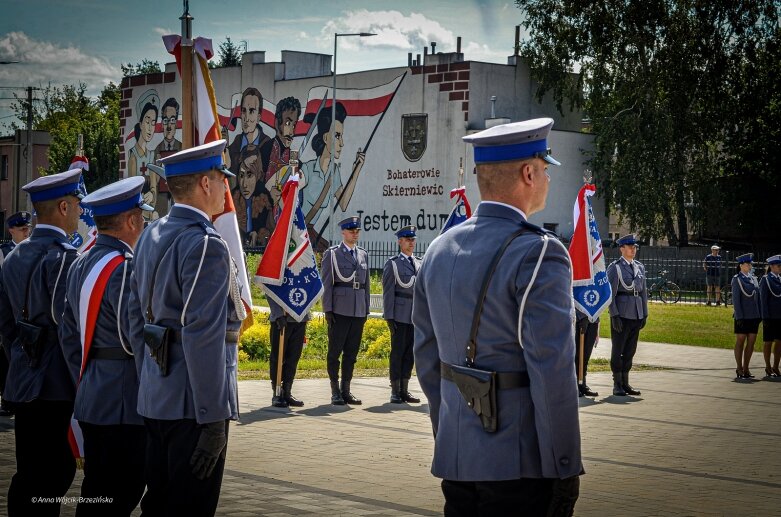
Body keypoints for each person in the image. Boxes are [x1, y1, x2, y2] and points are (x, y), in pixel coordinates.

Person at [413, 118, 582, 515]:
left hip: (458, 458)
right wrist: (564, 466)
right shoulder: (540, 252)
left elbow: (426, 357)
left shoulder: (439, 249)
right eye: (545, 168)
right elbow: (552, 370)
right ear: (528, 172)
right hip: (519, 465)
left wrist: (454, 431)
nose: (548, 179)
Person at [125, 140, 243, 515]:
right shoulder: (206, 244)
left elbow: (133, 320)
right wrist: (213, 420)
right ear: (206, 184)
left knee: (158, 505)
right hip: (194, 409)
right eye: (222, 178)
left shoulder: (150, 235)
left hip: (155, 400)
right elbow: (202, 336)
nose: (228, 187)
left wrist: (151, 378)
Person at [59, 177, 152, 516]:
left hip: (92, 394)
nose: (144, 222)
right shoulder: (125, 268)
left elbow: (69, 340)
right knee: (120, 494)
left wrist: (87, 378)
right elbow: (135, 341)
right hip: (125, 402)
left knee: (97, 492)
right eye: (141, 216)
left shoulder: (81, 262)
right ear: (130, 221)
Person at [0, 168, 83, 516]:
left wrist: (23, 357)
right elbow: (68, 331)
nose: (81, 211)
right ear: (63, 207)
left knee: (30, 471)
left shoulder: (14, 255)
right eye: (77, 203)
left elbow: (5, 326)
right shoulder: (63, 257)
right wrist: (83, 381)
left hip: (23, 379)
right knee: (55, 473)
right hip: (56, 385)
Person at [300, 101, 365, 248]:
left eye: (341, 136)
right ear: (325, 138)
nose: (341, 143)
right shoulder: (308, 168)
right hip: (299, 230)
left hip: (310, 233)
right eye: (337, 136)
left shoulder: (334, 172)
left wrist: (356, 170)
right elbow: (291, 194)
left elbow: (343, 203)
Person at [321, 216, 370, 405]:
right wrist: (328, 310)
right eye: (351, 231)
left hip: (358, 309)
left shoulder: (363, 254)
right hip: (340, 309)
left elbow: (366, 286)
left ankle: (346, 390)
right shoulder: (332, 254)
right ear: (343, 232)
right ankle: (335, 391)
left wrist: (365, 309)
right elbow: (327, 283)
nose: (355, 234)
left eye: (357, 231)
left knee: (351, 353)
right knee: (335, 352)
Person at [382, 225, 421, 404]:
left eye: (413, 239)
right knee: (397, 352)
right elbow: (388, 291)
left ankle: (405, 389)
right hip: (399, 314)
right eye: (407, 239)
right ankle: (395, 390)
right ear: (400, 241)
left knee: (410, 354)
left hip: (415, 316)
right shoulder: (394, 264)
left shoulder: (419, 262)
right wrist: (389, 317)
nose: (411, 243)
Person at [607, 234, 648, 396]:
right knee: (618, 350)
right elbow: (610, 294)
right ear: (621, 249)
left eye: (635, 247)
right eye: (630, 247)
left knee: (630, 350)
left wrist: (644, 313)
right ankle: (617, 384)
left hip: (636, 313)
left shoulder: (639, 267)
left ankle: (626, 383)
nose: (633, 249)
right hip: (622, 314)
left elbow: (643, 292)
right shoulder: (615, 268)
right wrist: (614, 315)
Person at [0, 211, 32, 417]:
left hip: (28, 314)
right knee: (6, 358)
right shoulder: (3, 252)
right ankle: (7, 398)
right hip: (8, 314)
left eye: (28, 228)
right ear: (11, 230)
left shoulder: (33, 251)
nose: (26, 232)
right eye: (22, 229)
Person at [268, 297, 309, 408]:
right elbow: (268, 287)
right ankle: (276, 393)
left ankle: (287, 392)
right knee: (277, 358)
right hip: (281, 319)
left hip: (300, 318)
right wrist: (278, 314)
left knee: (293, 357)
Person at [231, 145, 275, 246]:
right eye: (241, 175)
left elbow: (272, 232)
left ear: (258, 175)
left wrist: (260, 237)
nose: (244, 184)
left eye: (249, 175)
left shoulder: (265, 200)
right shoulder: (232, 198)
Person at [731, 253, 761, 380]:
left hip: (753, 316)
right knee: (741, 341)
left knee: (751, 342)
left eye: (750, 264)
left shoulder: (753, 278)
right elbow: (736, 300)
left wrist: (760, 314)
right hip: (742, 316)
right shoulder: (737, 279)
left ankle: (746, 368)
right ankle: (739, 368)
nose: (750, 266)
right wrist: (740, 317)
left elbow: (757, 298)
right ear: (741, 265)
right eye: (748, 264)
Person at [228, 87, 269, 177]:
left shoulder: (267, 144)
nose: (246, 118)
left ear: (258, 117)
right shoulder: (236, 142)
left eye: (251, 111)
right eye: (243, 110)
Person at [759, 255, 781, 378]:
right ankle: (768, 367)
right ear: (772, 266)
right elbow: (763, 300)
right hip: (770, 317)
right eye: (779, 266)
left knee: (779, 342)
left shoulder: (780, 279)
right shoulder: (766, 279)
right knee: (768, 342)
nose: (780, 268)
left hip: (780, 317)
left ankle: (776, 366)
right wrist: (765, 317)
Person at [575, 309, 600, 397]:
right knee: (577, 355)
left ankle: (582, 384)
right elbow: (574, 296)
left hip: (593, 318)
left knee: (586, 355)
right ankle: (575, 385)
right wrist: (582, 316)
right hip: (578, 319)